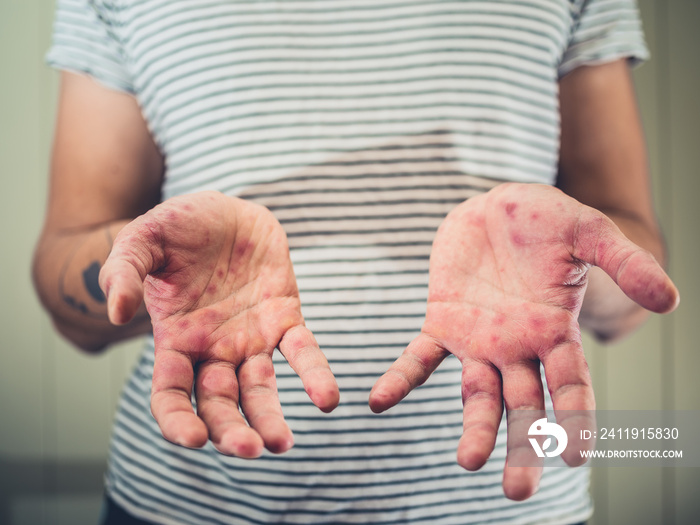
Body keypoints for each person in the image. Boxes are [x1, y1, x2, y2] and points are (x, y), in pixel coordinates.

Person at [33, 0, 679, 523]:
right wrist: (145, 265)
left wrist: (568, 275)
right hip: (188, 504)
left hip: (505, 506)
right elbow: (70, 279)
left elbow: (632, 263)